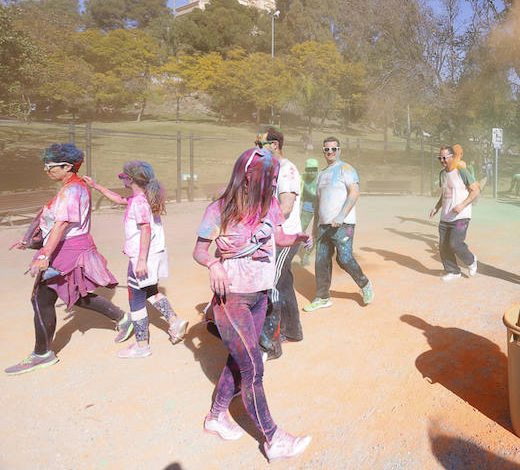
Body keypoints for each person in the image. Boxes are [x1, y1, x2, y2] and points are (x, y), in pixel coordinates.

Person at [192, 148, 312, 461]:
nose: (273, 183)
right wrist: (213, 265)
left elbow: (278, 238)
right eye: (267, 177)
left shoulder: (269, 204)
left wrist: (297, 237)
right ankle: (274, 439)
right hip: (231, 298)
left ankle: (216, 416)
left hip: (259, 295)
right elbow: (199, 251)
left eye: (274, 178)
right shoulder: (222, 206)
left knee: (239, 361)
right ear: (247, 175)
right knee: (253, 368)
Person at [5, 143, 133, 376]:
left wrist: (44, 255)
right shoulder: (74, 186)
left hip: (68, 249)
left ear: (66, 167)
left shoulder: (72, 190)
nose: (46, 170)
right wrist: (31, 242)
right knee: (73, 293)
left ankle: (42, 354)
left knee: (40, 298)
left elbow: (61, 225)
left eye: (50, 166)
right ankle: (123, 318)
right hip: (71, 247)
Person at [84, 161, 188, 358]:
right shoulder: (141, 198)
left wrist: (140, 260)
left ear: (130, 179)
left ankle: (142, 345)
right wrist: (96, 186)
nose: (122, 179)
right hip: (153, 255)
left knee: (136, 300)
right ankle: (174, 321)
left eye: (123, 177)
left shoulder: (139, 203)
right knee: (151, 291)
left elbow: (145, 229)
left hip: (142, 258)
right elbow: (118, 199)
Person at [302, 137, 374, 312]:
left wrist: (341, 215)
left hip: (343, 224)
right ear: (323, 151)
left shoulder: (346, 169)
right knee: (321, 261)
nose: (330, 152)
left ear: (339, 150)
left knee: (344, 258)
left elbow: (355, 192)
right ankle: (322, 297)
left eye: (334, 149)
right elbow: (318, 205)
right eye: (327, 149)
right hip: (324, 225)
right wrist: (313, 230)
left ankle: (364, 284)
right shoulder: (321, 175)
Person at [255, 127, 308, 361]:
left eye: (261, 145)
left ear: (275, 145)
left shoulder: (287, 170)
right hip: (275, 235)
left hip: (286, 237)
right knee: (284, 283)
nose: (257, 150)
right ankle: (293, 331)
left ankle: (271, 344)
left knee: (271, 285)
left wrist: (260, 223)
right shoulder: (268, 169)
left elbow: (285, 207)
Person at [429, 145, 480, 280]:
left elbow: (475, 190)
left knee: (455, 244)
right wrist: (436, 207)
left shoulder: (461, 172)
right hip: (445, 217)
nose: (442, 160)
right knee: (444, 246)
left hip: (461, 217)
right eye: (440, 158)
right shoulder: (442, 174)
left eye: (444, 158)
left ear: (452, 157)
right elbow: (444, 193)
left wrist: (462, 205)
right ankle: (453, 271)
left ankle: (471, 260)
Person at [299, 158, 319, 267]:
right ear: (306, 170)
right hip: (307, 206)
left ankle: (307, 254)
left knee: (315, 232)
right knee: (299, 231)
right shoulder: (301, 178)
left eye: (314, 169)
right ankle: (292, 252)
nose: (311, 172)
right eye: (309, 169)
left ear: (317, 170)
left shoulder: (321, 179)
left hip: (319, 209)